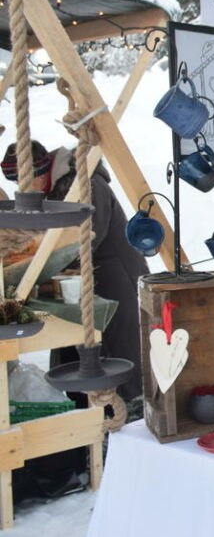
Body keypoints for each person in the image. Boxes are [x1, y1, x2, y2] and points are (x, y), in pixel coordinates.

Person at [2, 140, 148, 402]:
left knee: (118, 348)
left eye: (27, 179)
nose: (22, 187)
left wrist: (42, 260)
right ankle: (84, 409)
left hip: (111, 272)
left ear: (44, 171)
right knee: (74, 349)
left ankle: (131, 408)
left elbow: (87, 237)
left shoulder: (87, 184)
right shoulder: (47, 192)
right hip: (77, 275)